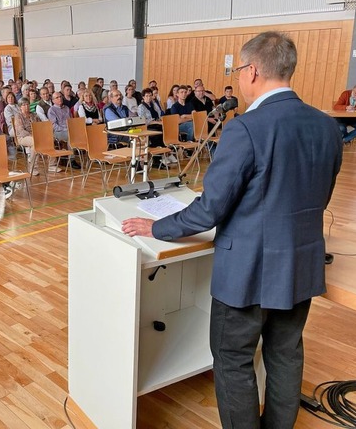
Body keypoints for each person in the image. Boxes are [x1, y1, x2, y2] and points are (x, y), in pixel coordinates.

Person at [121, 31, 343, 429]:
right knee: (285, 354)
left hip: (249, 271)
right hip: (301, 263)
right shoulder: (327, 127)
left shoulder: (246, 128)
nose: (239, 78)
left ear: (253, 70)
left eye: (240, 70)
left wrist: (159, 226)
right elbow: (319, 198)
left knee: (233, 359)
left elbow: (210, 209)